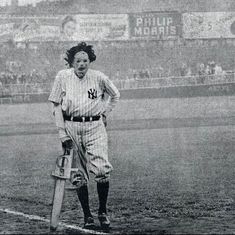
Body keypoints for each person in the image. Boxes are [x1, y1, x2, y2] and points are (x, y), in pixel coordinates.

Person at [48, 42, 120, 229]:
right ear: (71, 62)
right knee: (78, 174)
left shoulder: (98, 77)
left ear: (90, 61)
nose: (82, 64)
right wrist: (62, 133)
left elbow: (115, 95)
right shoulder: (62, 77)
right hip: (71, 126)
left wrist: (104, 113)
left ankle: (102, 212)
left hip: (95, 127)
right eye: (78, 60)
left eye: (85, 60)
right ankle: (87, 216)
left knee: (102, 170)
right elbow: (55, 105)